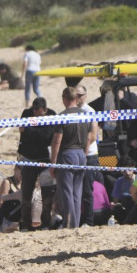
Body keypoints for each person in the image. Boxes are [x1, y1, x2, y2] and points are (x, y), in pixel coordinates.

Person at [48, 86, 95, 229]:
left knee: (66, 192)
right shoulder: (84, 115)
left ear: (64, 99)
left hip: (67, 154)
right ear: (76, 99)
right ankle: (75, 223)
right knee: (77, 192)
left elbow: (57, 140)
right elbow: (90, 138)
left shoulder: (62, 116)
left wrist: (53, 162)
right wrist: (84, 154)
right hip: (81, 154)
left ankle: (69, 223)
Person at [17, 97, 56, 229]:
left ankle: (46, 223)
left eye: (38, 113)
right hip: (29, 158)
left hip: (45, 159)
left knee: (47, 194)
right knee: (26, 193)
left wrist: (28, 130)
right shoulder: (26, 113)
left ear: (44, 110)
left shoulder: (52, 115)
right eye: (34, 112)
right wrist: (31, 132)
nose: (35, 115)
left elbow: (46, 136)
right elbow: (22, 132)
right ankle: (26, 225)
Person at [76, 84, 101, 226]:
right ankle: (78, 219)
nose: (78, 98)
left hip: (89, 155)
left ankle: (88, 221)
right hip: (76, 154)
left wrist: (82, 153)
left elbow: (92, 136)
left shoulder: (89, 111)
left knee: (87, 190)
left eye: (80, 95)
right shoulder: (73, 112)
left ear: (85, 96)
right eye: (76, 95)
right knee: (77, 190)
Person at [0, 166, 23, 234]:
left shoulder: (26, 182)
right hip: (3, 217)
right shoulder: (7, 182)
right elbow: (0, 205)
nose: (23, 175)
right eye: (21, 172)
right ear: (15, 169)